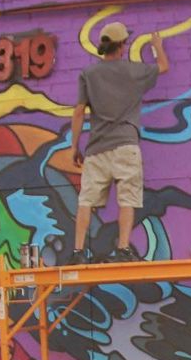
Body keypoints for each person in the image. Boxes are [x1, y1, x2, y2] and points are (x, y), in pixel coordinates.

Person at [68, 21, 169, 263]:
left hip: (97, 148)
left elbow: (79, 112)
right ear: (122, 45)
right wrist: (157, 46)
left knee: (86, 201)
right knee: (127, 199)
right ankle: (123, 249)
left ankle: (78, 251)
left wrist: (74, 146)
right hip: (125, 145)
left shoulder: (88, 74)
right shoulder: (134, 71)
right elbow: (163, 67)